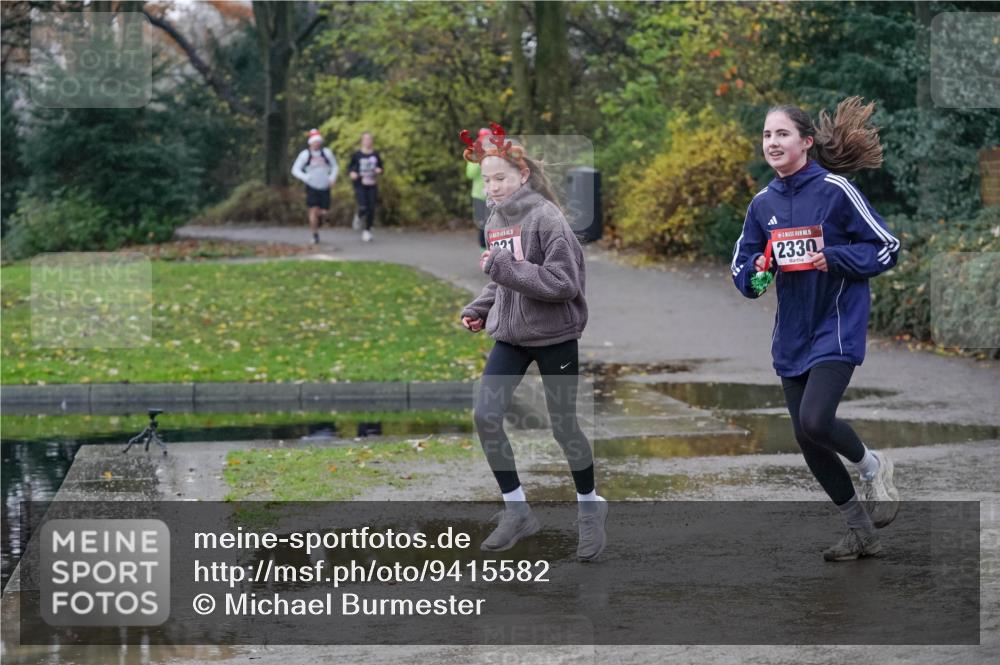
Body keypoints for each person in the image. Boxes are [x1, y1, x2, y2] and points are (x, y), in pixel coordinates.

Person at [730, 97, 901, 562]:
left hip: (837, 327)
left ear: (806, 142)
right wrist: (757, 273)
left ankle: (873, 465)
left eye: (782, 134)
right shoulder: (762, 203)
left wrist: (839, 257)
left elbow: (887, 247)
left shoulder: (835, 190)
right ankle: (860, 532)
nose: (773, 142)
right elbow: (744, 269)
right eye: (767, 135)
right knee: (808, 440)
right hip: (791, 337)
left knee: (816, 419)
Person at [458, 123, 607, 560]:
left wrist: (501, 270)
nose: (492, 187)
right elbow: (503, 278)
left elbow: (562, 283)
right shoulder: (494, 218)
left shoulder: (547, 218)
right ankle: (517, 510)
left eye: (500, 178)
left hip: (555, 334)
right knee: (486, 416)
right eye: (486, 179)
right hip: (512, 334)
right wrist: (480, 307)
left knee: (564, 427)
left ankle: (589, 508)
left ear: (522, 175)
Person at [290, 129, 339, 245]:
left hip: (325, 186)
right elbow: (295, 169)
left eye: (318, 142)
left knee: (324, 212)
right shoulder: (305, 155)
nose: (316, 144)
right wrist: (306, 177)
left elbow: (335, 166)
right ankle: (315, 235)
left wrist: (332, 178)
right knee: (313, 210)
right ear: (310, 143)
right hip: (312, 187)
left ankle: (320, 220)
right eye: (314, 142)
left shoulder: (326, 153)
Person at [348, 131, 384, 242]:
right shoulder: (357, 154)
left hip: (372, 184)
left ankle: (367, 231)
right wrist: (352, 173)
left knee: (371, 208)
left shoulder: (375, 154)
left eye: (370, 139)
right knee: (363, 206)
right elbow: (350, 168)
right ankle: (359, 216)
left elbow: (381, 168)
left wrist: (379, 170)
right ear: (362, 141)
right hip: (360, 184)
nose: (368, 141)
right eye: (366, 139)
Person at [466, 128, 491, 248]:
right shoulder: (474, 154)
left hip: (495, 195)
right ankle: (485, 257)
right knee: (482, 226)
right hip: (479, 196)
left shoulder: (496, 152)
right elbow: (470, 174)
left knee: (495, 226)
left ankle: (495, 255)